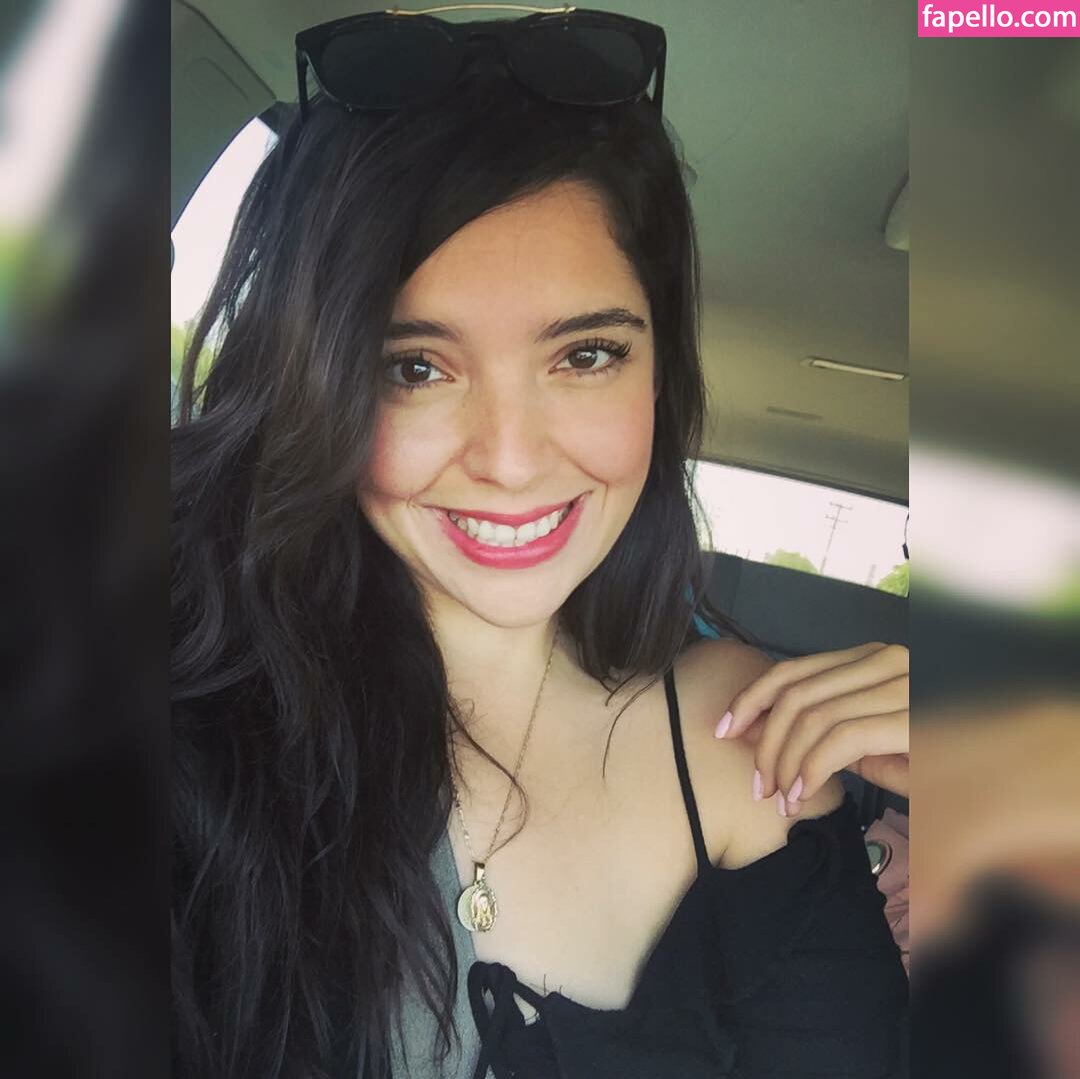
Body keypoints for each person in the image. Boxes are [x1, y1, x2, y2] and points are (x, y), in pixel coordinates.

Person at [171, 9, 909, 1078]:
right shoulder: (184, 724)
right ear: (312, 385)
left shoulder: (750, 746)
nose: (512, 461)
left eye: (587, 354)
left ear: (660, 375)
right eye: (414, 368)